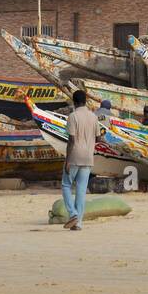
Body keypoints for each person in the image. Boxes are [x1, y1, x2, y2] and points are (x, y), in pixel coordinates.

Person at [61, 89, 99, 232]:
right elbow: (98, 137)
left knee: (66, 185)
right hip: (88, 157)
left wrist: (67, 160)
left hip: (75, 156)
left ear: (74, 102)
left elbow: (71, 140)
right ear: (85, 101)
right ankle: (78, 223)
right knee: (81, 190)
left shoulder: (73, 116)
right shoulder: (93, 117)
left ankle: (73, 214)